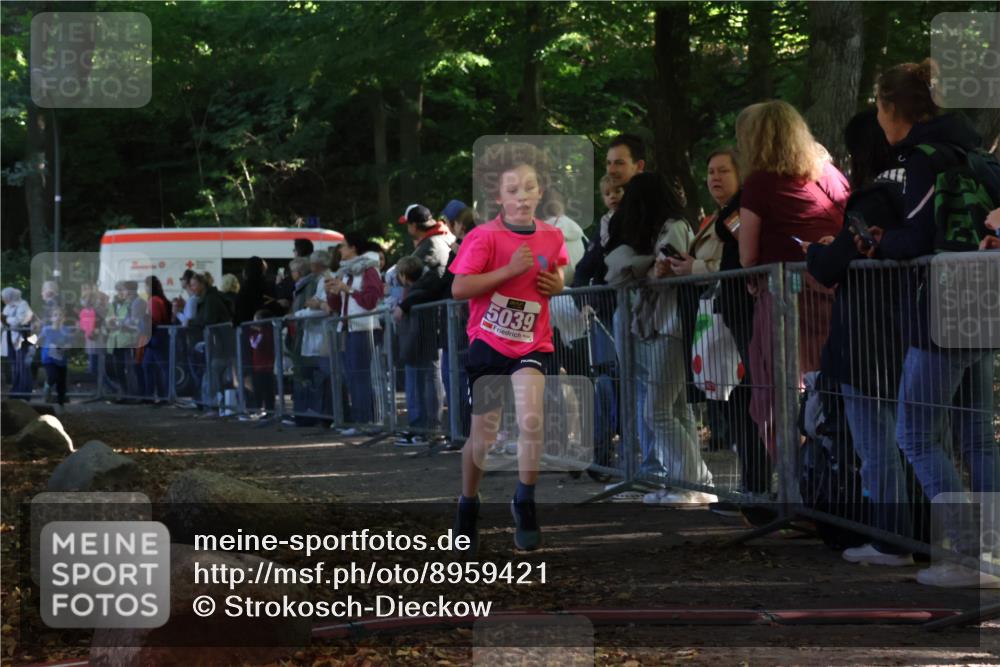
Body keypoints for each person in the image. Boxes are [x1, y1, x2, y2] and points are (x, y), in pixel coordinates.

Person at [857, 60, 1000, 587]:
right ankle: (991, 555)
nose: (878, 118)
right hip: (987, 303)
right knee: (977, 439)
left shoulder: (924, 158)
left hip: (942, 311)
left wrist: (877, 242)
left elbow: (916, 240)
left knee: (915, 434)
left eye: (878, 108)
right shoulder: (975, 152)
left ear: (894, 109)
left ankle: (967, 556)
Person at [806, 107, 914, 566]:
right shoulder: (918, 190)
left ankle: (893, 540)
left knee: (878, 444)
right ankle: (924, 536)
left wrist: (818, 251)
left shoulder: (874, 197)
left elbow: (833, 267)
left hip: (867, 339)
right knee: (918, 439)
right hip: (910, 333)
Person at [451, 142, 569, 553]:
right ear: (498, 196)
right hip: (488, 342)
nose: (522, 196)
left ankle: (525, 500)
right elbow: (459, 287)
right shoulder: (484, 237)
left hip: (533, 343)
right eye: (512, 190)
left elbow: (556, 276)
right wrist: (508, 270)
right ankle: (467, 504)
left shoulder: (553, 236)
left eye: (529, 188)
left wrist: (558, 284)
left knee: (532, 418)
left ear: (540, 192)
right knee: (482, 436)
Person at [737, 100, 848, 460]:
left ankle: (797, 485)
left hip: (785, 297)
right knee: (832, 387)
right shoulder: (829, 175)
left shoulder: (759, 184)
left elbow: (747, 256)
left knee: (776, 394)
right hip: (836, 292)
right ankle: (834, 478)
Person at [603, 172, 714, 505]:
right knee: (674, 409)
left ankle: (691, 484)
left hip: (672, 326)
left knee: (658, 410)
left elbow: (674, 273)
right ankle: (695, 481)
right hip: (659, 324)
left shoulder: (675, 227)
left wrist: (653, 272)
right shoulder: (662, 229)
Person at [394, 204, 453, 444]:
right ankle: (419, 425)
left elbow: (431, 283)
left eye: (407, 224)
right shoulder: (430, 243)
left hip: (428, 318)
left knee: (428, 371)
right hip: (420, 316)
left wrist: (407, 304)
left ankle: (429, 427)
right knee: (419, 370)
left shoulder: (434, 245)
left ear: (413, 225)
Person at [325, 233, 384, 434]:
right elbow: (335, 305)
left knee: (360, 377)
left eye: (343, 246)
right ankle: (361, 420)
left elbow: (371, 301)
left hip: (363, 329)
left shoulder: (368, 270)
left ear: (353, 249)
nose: (340, 250)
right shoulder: (347, 272)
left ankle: (366, 421)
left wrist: (347, 289)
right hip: (349, 329)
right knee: (353, 376)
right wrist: (331, 291)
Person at [39, 305, 77, 409]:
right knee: (53, 376)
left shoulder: (67, 330)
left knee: (61, 382)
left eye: (60, 315)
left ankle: (61, 405)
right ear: (51, 318)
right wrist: (29, 343)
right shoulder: (46, 329)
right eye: (55, 315)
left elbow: (71, 344)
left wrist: (66, 347)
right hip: (48, 358)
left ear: (64, 318)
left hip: (61, 359)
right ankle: (47, 386)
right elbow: (38, 339)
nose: (58, 317)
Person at [141, 276, 171, 403]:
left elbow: (155, 320)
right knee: (150, 366)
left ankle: (160, 396)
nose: (145, 289)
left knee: (161, 367)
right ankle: (157, 395)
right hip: (158, 338)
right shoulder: (158, 299)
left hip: (155, 339)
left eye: (146, 286)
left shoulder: (153, 301)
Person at [2, 287, 36, 397]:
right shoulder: (7, 307)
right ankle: (16, 390)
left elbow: (19, 321)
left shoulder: (23, 305)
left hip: (22, 339)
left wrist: (6, 319)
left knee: (23, 366)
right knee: (15, 366)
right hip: (10, 338)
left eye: (4, 297)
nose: (3, 300)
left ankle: (24, 392)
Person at [245, 308, 276, 419]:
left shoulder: (263, 333)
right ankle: (267, 410)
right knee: (265, 389)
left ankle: (266, 410)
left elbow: (255, 345)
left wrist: (252, 333)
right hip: (263, 365)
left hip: (263, 366)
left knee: (264, 389)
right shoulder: (269, 331)